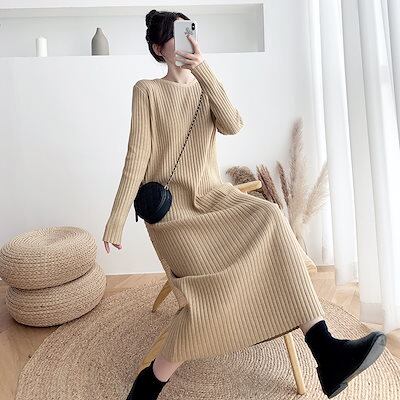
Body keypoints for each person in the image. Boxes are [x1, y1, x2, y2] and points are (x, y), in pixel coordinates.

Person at [102, 9, 387, 400]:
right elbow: (137, 156)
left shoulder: (205, 84)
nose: (185, 41)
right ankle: (152, 380)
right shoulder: (147, 90)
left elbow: (233, 124)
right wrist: (117, 218)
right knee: (212, 292)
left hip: (214, 198)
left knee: (268, 213)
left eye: (189, 32)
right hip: (174, 214)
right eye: (174, 35)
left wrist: (204, 70)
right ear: (157, 48)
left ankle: (326, 349)